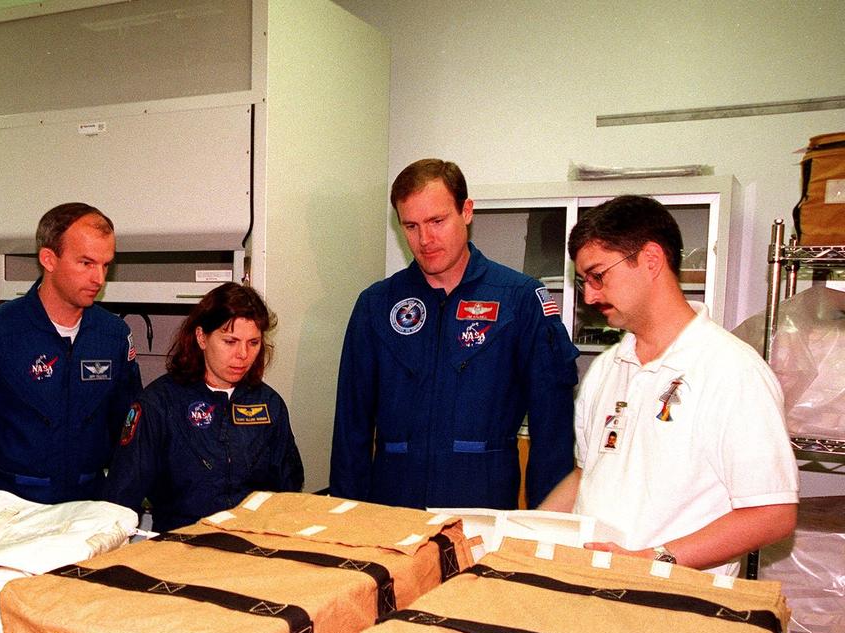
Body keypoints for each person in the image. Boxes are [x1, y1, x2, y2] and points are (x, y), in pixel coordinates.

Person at [539, 194, 798, 574]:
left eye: (598, 276)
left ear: (651, 260)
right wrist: (522, 536)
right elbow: (586, 475)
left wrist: (652, 561)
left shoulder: (731, 370)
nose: (590, 295)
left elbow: (772, 513)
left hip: (676, 602)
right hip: (596, 588)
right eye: (584, 281)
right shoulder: (608, 367)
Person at [330, 159, 579, 510]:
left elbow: (552, 431)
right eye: (411, 226)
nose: (425, 239)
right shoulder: (376, 304)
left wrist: (545, 529)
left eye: (436, 221)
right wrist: (346, 519)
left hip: (482, 508)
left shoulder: (517, 299)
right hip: (393, 509)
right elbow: (349, 430)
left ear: (466, 211)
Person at [0, 203, 141, 503]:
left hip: (85, 509)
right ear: (49, 259)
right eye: (86, 263)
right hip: (10, 511)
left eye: (105, 265)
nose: (99, 278)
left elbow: (128, 432)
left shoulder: (113, 337)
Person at [103, 283, 303, 532]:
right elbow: (120, 500)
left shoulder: (269, 405)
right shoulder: (160, 404)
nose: (243, 354)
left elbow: (290, 492)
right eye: (230, 341)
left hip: (254, 548)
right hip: (181, 549)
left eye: (253, 343)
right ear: (201, 337)